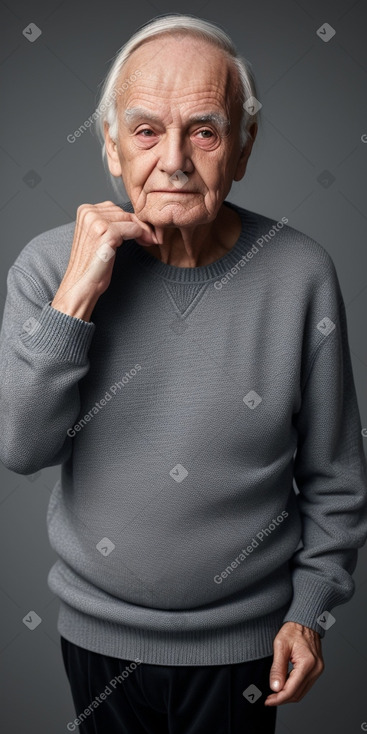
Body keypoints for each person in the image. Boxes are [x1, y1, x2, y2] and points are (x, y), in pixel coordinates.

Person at [1, 13, 367, 734]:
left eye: (203, 131)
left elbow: (335, 475)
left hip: (245, 648)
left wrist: (311, 608)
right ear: (109, 143)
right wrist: (76, 297)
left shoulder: (299, 273)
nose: (172, 160)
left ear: (242, 146)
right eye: (144, 131)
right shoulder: (49, 265)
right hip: (95, 639)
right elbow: (21, 449)